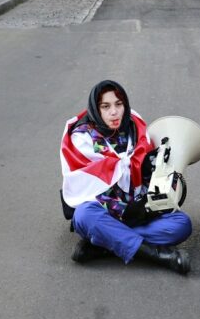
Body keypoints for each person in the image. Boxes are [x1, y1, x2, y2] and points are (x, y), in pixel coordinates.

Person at [61, 80, 192, 274]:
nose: (114, 112)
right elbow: (85, 190)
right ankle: (158, 255)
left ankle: (104, 243)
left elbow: (147, 176)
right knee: (84, 216)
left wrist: (157, 189)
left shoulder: (135, 129)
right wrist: (125, 210)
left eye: (118, 104)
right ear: (96, 109)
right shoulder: (81, 138)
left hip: (137, 209)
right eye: (105, 106)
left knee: (182, 224)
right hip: (106, 212)